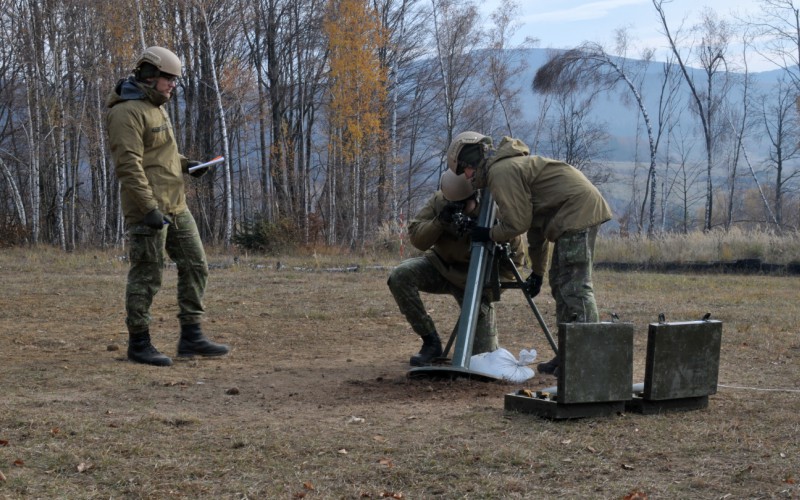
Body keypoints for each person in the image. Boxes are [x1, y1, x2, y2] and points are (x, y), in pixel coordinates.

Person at [447, 132, 612, 376]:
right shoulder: (508, 168)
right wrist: (538, 272)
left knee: (574, 287)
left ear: (472, 162)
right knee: (560, 282)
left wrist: (488, 233)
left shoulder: (500, 172)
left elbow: (517, 224)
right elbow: (535, 229)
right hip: (572, 213)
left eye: (465, 170)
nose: (467, 177)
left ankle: (586, 357)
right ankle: (570, 351)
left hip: (577, 212)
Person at [106, 46, 230, 366]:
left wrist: (190, 165)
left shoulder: (156, 105)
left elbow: (161, 156)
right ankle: (140, 343)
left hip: (175, 205)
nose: (173, 85)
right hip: (148, 209)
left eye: (175, 80)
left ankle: (191, 337)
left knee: (196, 265)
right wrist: (148, 209)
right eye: (169, 79)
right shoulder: (127, 112)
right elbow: (129, 167)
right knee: (147, 275)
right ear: (150, 75)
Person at [387, 170, 524, 366]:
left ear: (475, 196)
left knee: (482, 359)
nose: (457, 208)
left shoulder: (497, 213)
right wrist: (440, 222)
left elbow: (514, 263)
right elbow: (417, 238)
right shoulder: (440, 201)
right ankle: (430, 342)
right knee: (400, 276)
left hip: (476, 280)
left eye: (462, 204)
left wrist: (487, 291)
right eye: (453, 203)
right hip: (441, 266)